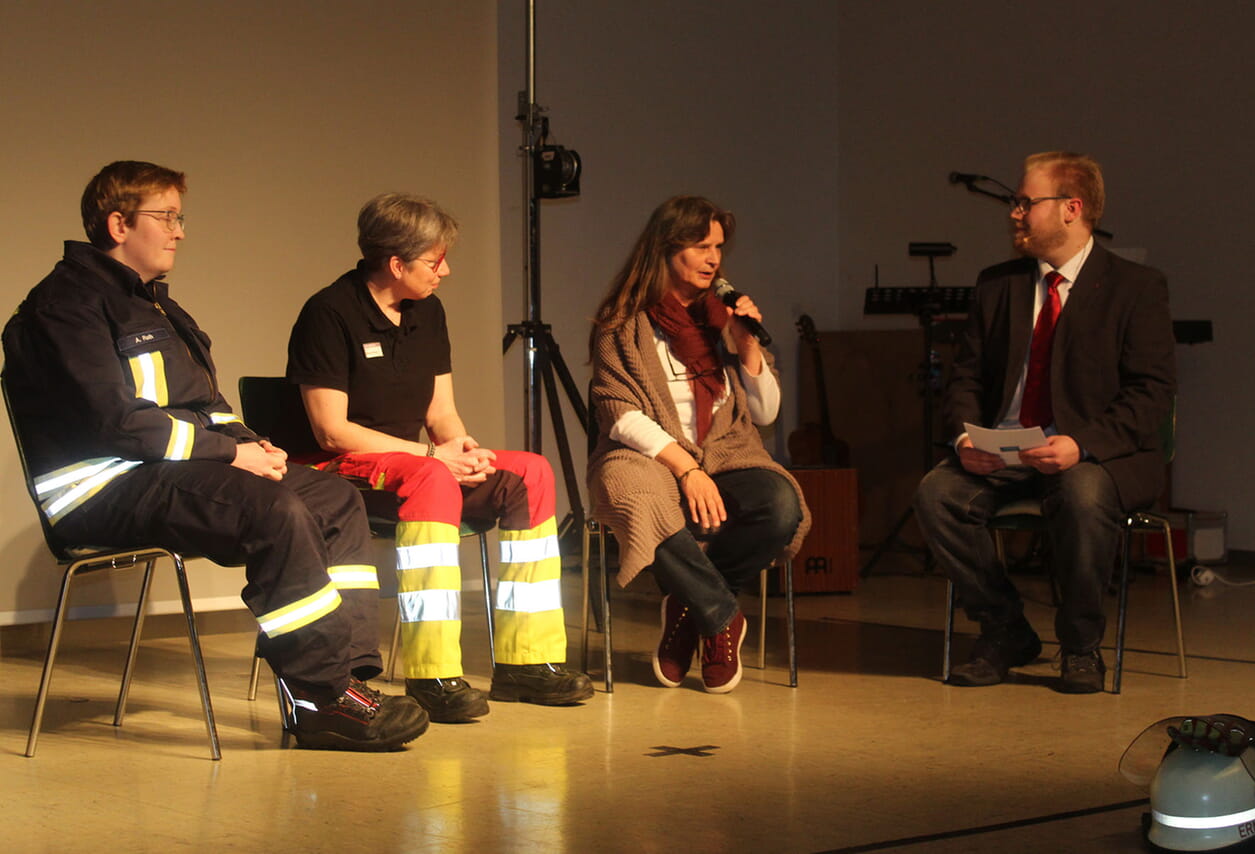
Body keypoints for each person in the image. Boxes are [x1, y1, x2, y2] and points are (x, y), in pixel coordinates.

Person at [2, 160, 427, 750]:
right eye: (167, 216)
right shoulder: (64, 307)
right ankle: (319, 698)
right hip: (101, 488)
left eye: (181, 217)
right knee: (271, 511)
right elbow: (114, 423)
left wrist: (254, 445)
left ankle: (348, 681)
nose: (180, 230)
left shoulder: (155, 307)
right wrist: (229, 455)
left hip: (168, 472)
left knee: (330, 496)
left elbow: (207, 406)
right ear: (118, 223)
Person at [286, 193, 593, 723]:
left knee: (529, 472)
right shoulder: (329, 313)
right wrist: (435, 457)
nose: (445, 271)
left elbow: (442, 412)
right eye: (435, 261)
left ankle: (527, 659)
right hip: (340, 471)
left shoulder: (426, 311)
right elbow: (332, 431)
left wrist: (466, 450)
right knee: (430, 476)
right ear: (396, 263)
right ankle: (431, 673)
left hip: (419, 463)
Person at [914, 151, 1177, 694]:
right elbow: (965, 378)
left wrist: (1080, 444)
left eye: (1024, 202)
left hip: (1091, 454)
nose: (1014, 213)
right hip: (1004, 449)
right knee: (937, 494)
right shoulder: (998, 285)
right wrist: (965, 438)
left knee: (1081, 495)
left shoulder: (1136, 287)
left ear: (1071, 209)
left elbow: (1151, 394)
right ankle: (1005, 629)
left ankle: (1080, 647)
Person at [586, 195, 809, 694]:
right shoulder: (622, 322)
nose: (714, 258)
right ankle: (721, 617)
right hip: (646, 453)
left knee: (779, 504)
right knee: (633, 495)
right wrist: (686, 468)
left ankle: (689, 610)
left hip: (728, 450)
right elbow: (619, 412)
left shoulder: (722, 318)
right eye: (701, 246)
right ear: (666, 248)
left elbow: (766, 413)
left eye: (719, 248)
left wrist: (748, 346)